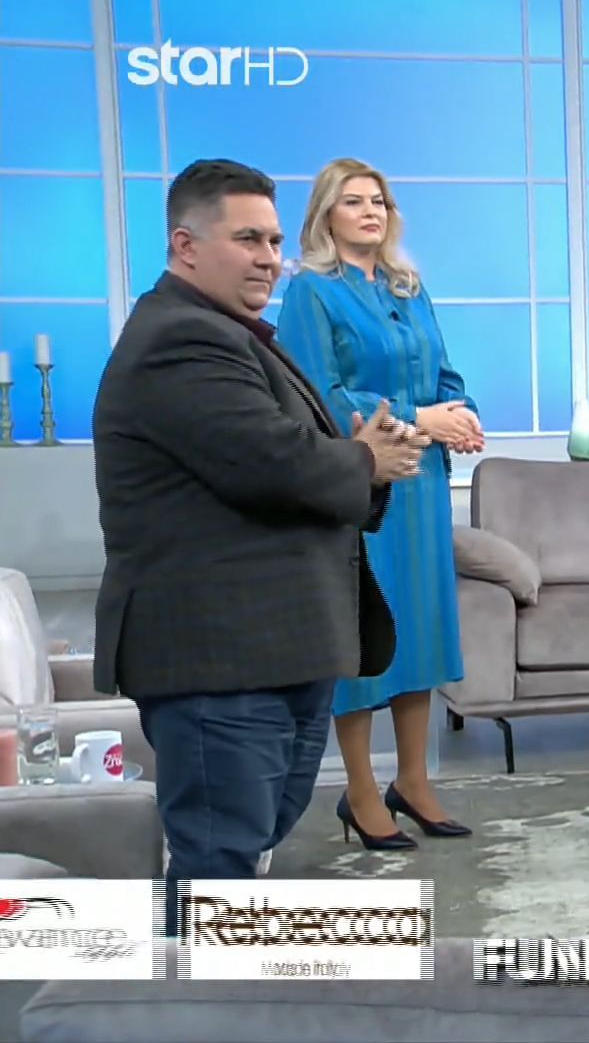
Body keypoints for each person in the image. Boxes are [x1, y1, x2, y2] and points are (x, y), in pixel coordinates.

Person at [92, 158, 425, 896]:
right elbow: (274, 463)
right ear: (185, 246)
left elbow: (291, 455)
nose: (269, 259)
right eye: (248, 240)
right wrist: (364, 459)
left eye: (274, 241)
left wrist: (357, 459)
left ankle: (229, 969)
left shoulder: (233, 334)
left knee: (248, 845)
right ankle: (204, 976)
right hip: (218, 662)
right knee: (221, 867)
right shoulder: (180, 339)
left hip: (272, 653)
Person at [279, 157, 485, 851]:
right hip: (361, 484)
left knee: (419, 631)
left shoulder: (409, 287)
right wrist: (422, 418)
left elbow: (445, 373)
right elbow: (321, 395)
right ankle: (361, 791)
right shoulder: (311, 292)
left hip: (422, 483)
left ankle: (415, 782)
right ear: (326, 215)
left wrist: (461, 414)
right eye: (354, 201)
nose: (371, 211)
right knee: (367, 637)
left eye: (379, 201)